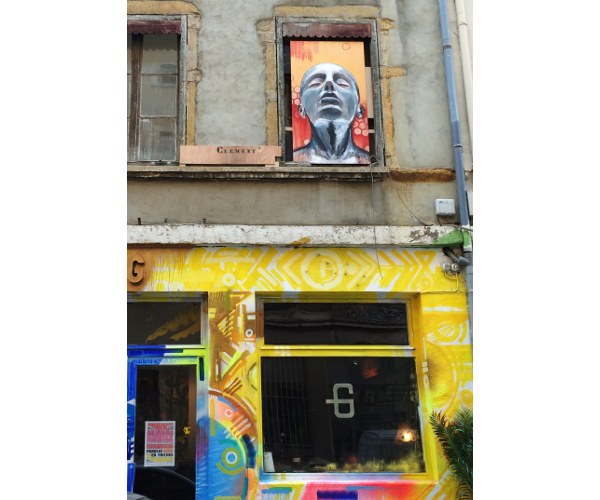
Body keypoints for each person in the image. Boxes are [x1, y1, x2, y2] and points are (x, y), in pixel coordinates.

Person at [294, 62, 370, 164]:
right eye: (315, 83)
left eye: (342, 83)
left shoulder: (368, 161)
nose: (329, 84)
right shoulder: (296, 160)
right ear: (301, 110)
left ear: (359, 109)